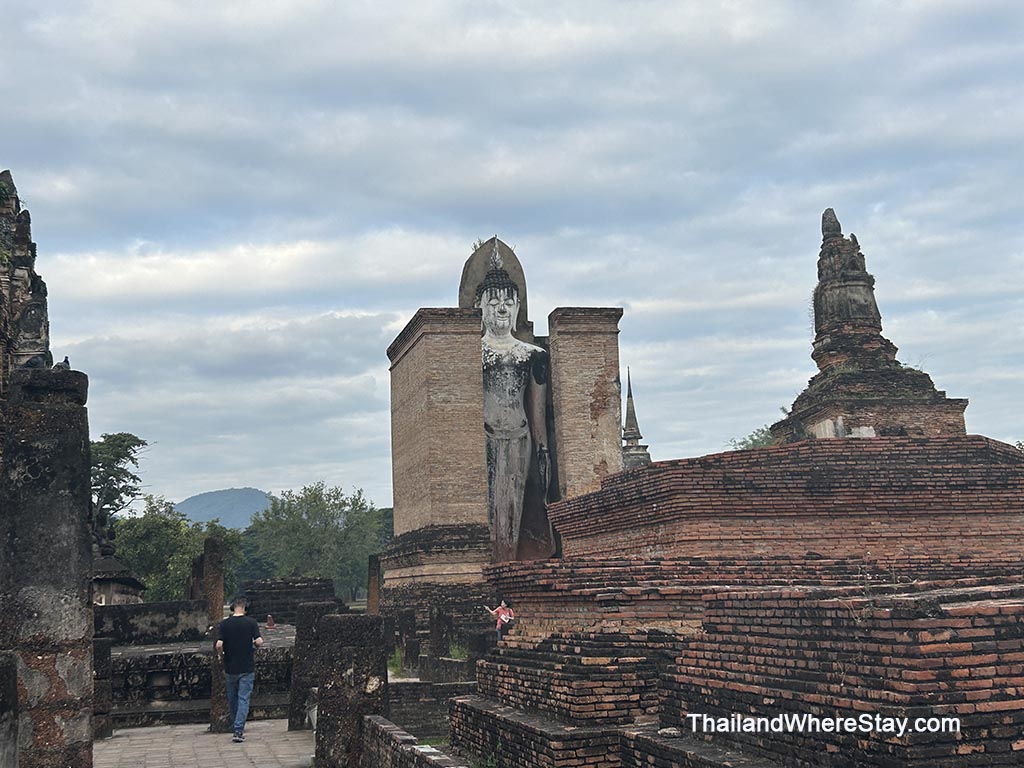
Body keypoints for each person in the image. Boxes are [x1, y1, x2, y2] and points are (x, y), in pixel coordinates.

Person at [475, 244, 551, 562]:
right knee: (489, 511)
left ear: (518, 306)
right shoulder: (474, 354)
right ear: (478, 307)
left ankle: (509, 568)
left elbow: (537, 416)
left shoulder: (533, 355)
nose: (502, 310)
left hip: (519, 437)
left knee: (513, 512)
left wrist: (543, 451)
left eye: (509, 302)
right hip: (485, 436)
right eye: (493, 303)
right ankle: (494, 569)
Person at [216, 596, 264, 743]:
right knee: (244, 698)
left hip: (230, 666)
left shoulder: (224, 624)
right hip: (246, 666)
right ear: (245, 608)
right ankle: (238, 730)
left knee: (232, 698)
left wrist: (221, 656)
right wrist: (255, 645)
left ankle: (235, 725)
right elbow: (259, 641)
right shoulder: (251, 623)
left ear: (232, 608)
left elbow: (219, 644)